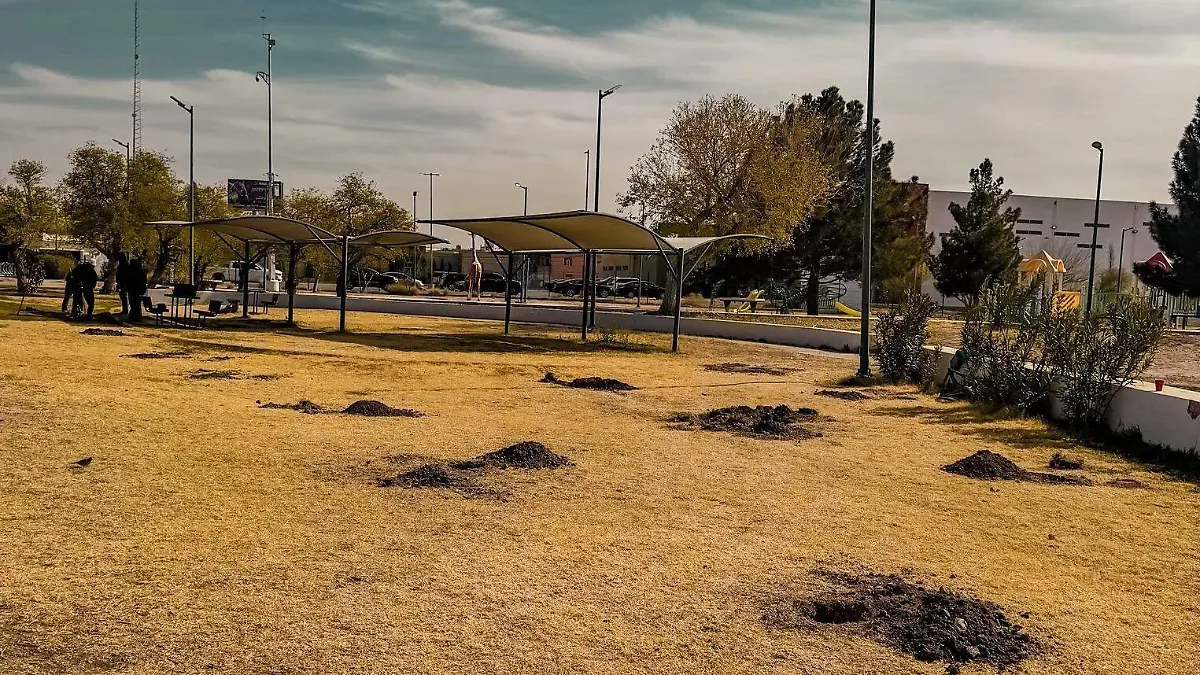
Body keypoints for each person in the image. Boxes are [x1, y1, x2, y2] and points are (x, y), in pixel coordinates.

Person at [125, 255, 147, 322]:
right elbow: (144, 281)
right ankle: (135, 316)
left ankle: (134, 316)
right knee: (136, 303)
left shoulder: (130, 270)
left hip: (132, 289)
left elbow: (127, 279)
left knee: (133, 303)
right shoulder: (141, 271)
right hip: (138, 289)